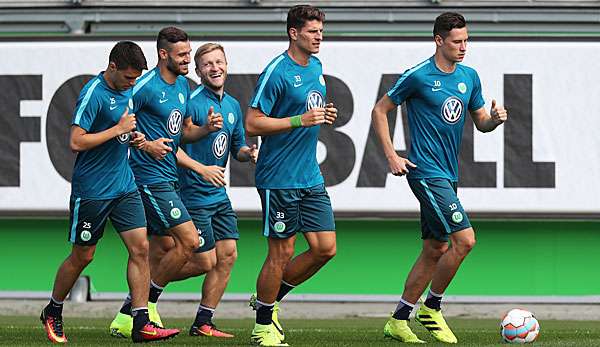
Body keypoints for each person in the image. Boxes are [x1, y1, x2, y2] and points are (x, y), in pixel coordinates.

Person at [371, 12, 508, 344]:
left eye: (466, 41)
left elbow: (480, 121)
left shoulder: (469, 76)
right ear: (439, 41)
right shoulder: (418, 76)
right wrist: (391, 155)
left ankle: (398, 320)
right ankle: (431, 307)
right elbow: (380, 109)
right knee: (465, 240)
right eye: (457, 41)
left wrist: (494, 120)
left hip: (449, 173)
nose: (463, 47)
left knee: (435, 247)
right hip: (425, 172)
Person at [40, 41, 180, 343]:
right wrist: (117, 130)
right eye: (129, 78)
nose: (133, 84)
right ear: (112, 67)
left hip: (124, 185)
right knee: (83, 256)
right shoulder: (94, 94)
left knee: (141, 249)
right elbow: (76, 141)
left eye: (136, 78)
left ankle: (140, 321)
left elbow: (124, 132)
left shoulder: (128, 90)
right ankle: (53, 310)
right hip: (92, 190)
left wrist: (142, 142)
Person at [109, 27, 223, 338]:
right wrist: (145, 145)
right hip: (146, 177)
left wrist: (204, 130)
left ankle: (129, 314)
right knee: (190, 242)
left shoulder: (184, 85)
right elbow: (119, 121)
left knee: (173, 253)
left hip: (169, 178)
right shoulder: (144, 85)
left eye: (189, 53)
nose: (188, 59)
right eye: (182, 55)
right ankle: (145, 310)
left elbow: (180, 133)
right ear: (163, 55)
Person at [245, 5, 338, 347]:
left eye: (321, 31)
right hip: (278, 177)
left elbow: (308, 110)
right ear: (293, 33)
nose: (319, 37)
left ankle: (268, 300)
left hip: (309, 175)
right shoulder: (277, 72)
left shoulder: (316, 66)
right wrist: (300, 120)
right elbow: (253, 122)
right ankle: (262, 325)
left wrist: (322, 115)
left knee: (325, 249)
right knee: (281, 252)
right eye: (313, 32)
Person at [172, 42, 258, 338]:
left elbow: (237, 149)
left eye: (219, 61)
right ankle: (143, 289)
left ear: (226, 65)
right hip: (193, 194)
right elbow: (173, 146)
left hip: (219, 195)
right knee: (203, 260)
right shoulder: (191, 101)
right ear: (198, 71)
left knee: (228, 254)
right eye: (207, 64)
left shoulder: (233, 105)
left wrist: (250, 152)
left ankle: (203, 321)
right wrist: (201, 164)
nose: (215, 67)